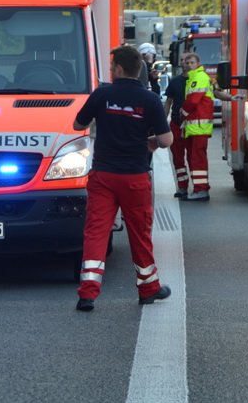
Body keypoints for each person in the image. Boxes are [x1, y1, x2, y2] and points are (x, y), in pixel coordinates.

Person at [73, 45, 173, 311]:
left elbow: (78, 125)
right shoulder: (150, 99)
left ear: (117, 68)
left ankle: (88, 294)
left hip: (103, 175)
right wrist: (148, 141)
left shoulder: (102, 95)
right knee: (140, 235)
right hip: (135, 177)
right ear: (138, 69)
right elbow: (166, 140)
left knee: (96, 232)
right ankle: (149, 288)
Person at [180, 52, 215, 201]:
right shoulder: (193, 78)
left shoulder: (199, 77)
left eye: (192, 62)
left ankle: (201, 189)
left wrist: (183, 112)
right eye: (187, 63)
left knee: (197, 158)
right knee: (195, 158)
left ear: (198, 63)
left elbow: (193, 101)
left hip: (199, 126)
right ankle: (200, 188)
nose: (189, 65)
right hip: (195, 126)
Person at [164, 53, 192, 198]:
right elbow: (168, 102)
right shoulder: (175, 82)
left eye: (188, 60)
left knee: (194, 158)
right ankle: (182, 187)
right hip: (177, 123)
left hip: (193, 126)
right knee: (178, 157)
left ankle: (199, 187)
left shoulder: (199, 80)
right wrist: (162, 122)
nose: (185, 63)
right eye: (182, 60)